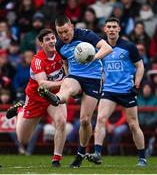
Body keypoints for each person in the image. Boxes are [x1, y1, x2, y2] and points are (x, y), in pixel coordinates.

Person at [45, 15, 112, 168]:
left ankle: (80, 154)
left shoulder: (86, 35)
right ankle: (57, 98)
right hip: (75, 76)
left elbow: (107, 48)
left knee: (84, 120)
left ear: (72, 27)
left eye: (66, 31)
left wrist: (92, 57)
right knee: (67, 84)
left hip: (93, 79)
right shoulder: (60, 45)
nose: (63, 35)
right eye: (60, 32)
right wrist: (68, 74)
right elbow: (65, 62)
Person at [86, 17, 147, 167]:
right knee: (100, 119)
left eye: (114, 27)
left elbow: (140, 66)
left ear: (119, 29)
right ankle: (98, 153)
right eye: (109, 27)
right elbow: (97, 67)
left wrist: (137, 86)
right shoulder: (100, 48)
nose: (112, 29)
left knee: (133, 125)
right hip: (109, 91)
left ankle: (142, 158)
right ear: (105, 30)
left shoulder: (129, 47)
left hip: (127, 90)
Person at [6, 29, 67, 167]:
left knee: (61, 121)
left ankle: (56, 159)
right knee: (23, 139)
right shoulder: (37, 61)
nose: (52, 41)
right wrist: (64, 83)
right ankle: (20, 109)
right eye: (47, 39)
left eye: (53, 38)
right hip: (36, 97)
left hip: (54, 96)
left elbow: (68, 69)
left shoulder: (62, 52)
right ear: (41, 43)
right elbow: (43, 84)